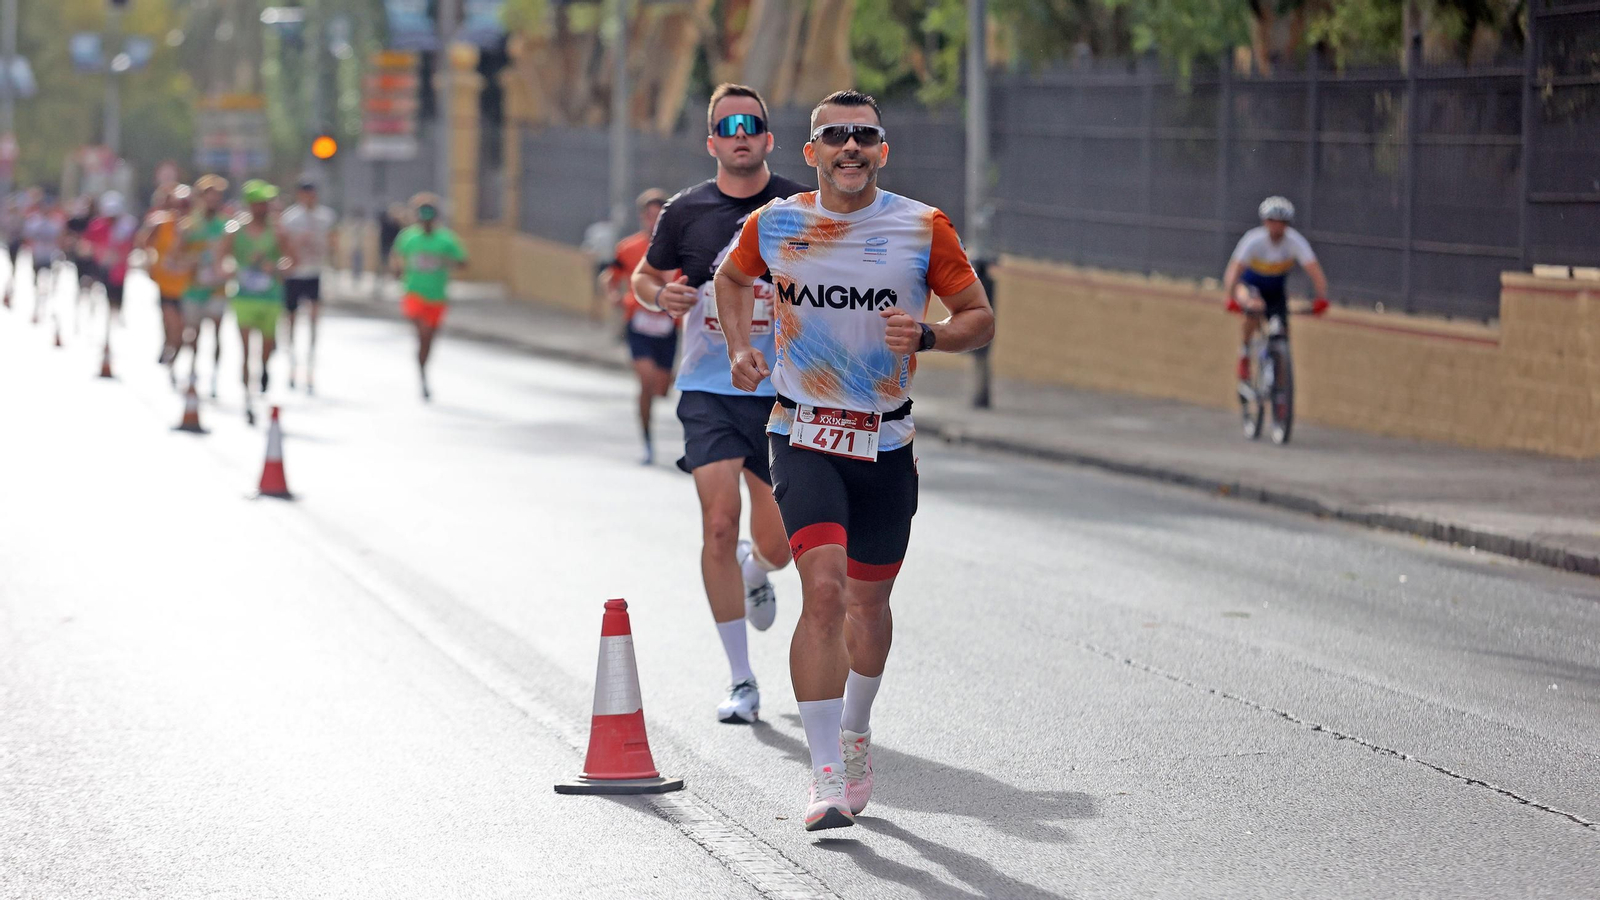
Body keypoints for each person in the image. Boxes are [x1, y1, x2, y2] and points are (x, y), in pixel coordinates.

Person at [714, 89, 995, 831]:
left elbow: (979, 318)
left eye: (864, 137)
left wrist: (930, 337)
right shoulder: (775, 223)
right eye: (834, 135)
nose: (850, 147)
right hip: (801, 431)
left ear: (882, 151)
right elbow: (732, 279)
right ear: (810, 153)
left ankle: (855, 732)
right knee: (827, 592)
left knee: (869, 606)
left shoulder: (921, 226)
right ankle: (825, 776)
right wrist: (742, 348)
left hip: (885, 442)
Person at [631, 83, 804, 725]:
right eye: (727, 125)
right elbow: (645, 276)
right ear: (711, 142)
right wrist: (659, 298)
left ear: (767, 138)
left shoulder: (797, 204)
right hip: (707, 389)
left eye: (751, 124)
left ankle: (757, 570)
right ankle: (741, 680)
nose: (740, 133)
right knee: (717, 523)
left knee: (780, 544)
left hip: (782, 391)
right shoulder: (686, 211)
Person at [1221, 196, 1329, 382]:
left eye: (1282, 222)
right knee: (1254, 307)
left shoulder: (1295, 241)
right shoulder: (1253, 240)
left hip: (1275, 291)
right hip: (1251, 286)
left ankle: (1280, 386)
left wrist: (1321, 298)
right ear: (1265, 221)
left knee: (1283, 333)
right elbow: (1234, 271)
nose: (1277, 227)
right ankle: (1245, 353)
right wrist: (1231, 297)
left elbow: (1315, 272)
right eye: (1272, 221)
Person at [605, 189, 676, 464]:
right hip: (638, 323)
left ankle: (650, 414)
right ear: (642, 218)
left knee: (660, 389)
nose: (654, 220)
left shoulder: (679, 249)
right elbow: (610, 276)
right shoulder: (629, 247)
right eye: (650, 215)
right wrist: (614, 295)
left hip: (667, 326)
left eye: (660, 215)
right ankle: (647, 440)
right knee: (645, 382)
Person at [220, 179, 295, 424]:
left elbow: (291, 260)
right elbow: (222, 259)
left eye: (266, 204)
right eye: (259, 203)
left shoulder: (278, 231)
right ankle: (247, 397)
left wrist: (276, 267)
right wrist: (229, 269)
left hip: (270, 297)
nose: (263, 208)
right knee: (245, 351)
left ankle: (264, 369)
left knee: (267, 346)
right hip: (244, 298)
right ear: (250, 205)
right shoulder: (235, 230)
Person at [390, 192, 466, 400]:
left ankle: (423, 372)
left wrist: (446, 260)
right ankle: (422, 372)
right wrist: (397, 269)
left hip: (437, 296)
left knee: (429, 340)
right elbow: (396, 255)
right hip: (414, 293)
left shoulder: (446, 239)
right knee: (422, 333)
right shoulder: (409, 237)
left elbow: (462, 260)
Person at [280, 179, 339, 394]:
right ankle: (292, 363)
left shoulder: (326, 217)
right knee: (292, 320)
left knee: (314, 320)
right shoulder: (290, 218)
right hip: (295, 274)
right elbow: (284, 246)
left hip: (314, 273)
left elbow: (333, 242)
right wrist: (298, 243)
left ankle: (311, 365)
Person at [179, 175, 234, 396]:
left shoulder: (227, 226)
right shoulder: (189, 225)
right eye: (209, 197)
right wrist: (189, 261)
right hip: (194, 287)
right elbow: (177, 254)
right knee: (193, 333)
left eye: (217, 197)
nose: (213, 201)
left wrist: (228, 269)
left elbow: (233, 256)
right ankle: (192, 371)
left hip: (217, 288)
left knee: (217, 333)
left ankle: (214, 377)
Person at [137, 184, 193, 379]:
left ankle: (174, 355)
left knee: (181, 327)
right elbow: (144, 243)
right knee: (169, 320)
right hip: (165, 282)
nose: (182, 209)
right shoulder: (161, 223)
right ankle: (167, 345)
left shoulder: (193, 227)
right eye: (179, 205)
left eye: (186, 205)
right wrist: (150, 263)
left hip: (188, 285)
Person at [82, 191, 138, 342]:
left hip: (120, 271)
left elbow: (131, 246)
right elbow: (88, 245)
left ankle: (114, 322)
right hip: (103, 269)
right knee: (104, 297)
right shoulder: (97, 225)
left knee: (117, 300)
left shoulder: (127, 225)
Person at [22, 191, 66, 326]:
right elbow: (27, 238)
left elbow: (61, 239)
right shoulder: (34, 221)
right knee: (36, 283)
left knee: (47, 282)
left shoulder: (56, 222)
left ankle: (45, 306)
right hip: (37, 255)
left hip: (50, 257)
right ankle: (36, 306)